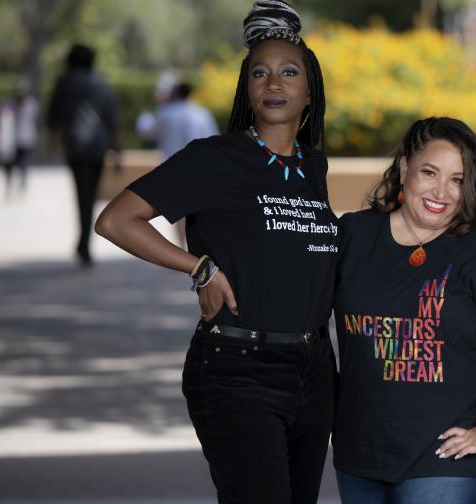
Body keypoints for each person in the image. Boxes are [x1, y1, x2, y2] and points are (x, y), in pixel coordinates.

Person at [95, 2, 337, 503]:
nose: (273, 84)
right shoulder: (215, 159)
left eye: (288, 72)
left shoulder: (313, 164)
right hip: (238, 369)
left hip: (314, 370)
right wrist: (198, 266)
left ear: (309, 90)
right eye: (260, 73)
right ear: (246, 90)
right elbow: (116, 220)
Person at [332, 117, 476, 504]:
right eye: (430, 172)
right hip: (360, 449)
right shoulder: (355, 234)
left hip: (447, 456)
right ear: (403, 168)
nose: (441, 191)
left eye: (457, 180)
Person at [47, 43, 120, 267]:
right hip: (98, 149)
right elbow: (112, 121)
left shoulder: (64, 83)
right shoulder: (103, 84)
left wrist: (54, 139)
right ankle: (85, 244)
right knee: (91, 196)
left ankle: (83, 243)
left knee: (82, 194)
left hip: (76, 148)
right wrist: (118, 152)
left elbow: (52, 117)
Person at [139, 82, 220, 247]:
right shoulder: (202, 113)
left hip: (173, 167)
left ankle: (181, 246)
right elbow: (215, 139)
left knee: (179, 210)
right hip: (201, 166)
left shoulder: (165, 112)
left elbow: (147, 132)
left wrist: (146, 114)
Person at [0, 82, 38, 200]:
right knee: (8, 165)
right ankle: (9, 186)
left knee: (24, 165)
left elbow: (34, 121)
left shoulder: (31, 104)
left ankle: (23, 188)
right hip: (10, 141)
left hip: (26, 140)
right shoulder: (7, 104)